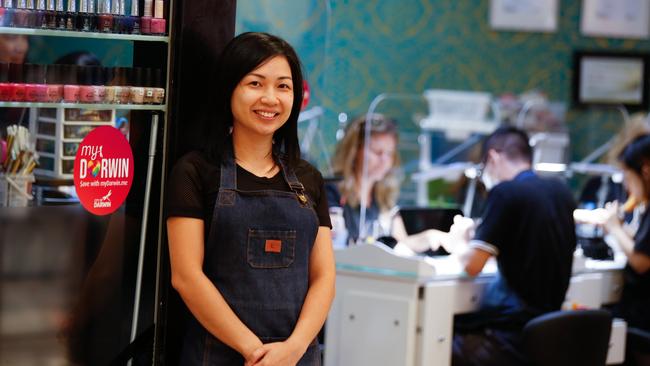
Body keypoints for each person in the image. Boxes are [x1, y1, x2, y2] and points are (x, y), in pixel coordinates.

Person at [165, 32, 335, 365]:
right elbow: (186, 276)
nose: (270, 98)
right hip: (219, 355)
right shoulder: (195, 171)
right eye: (255, 83)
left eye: (283, 86)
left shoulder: (309, 179)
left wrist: (294, 348)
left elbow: (324, 277)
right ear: (229, 88)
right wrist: (255, 353)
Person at [446, 126, 576, 366]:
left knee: (436, 344)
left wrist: (457, 244)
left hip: (511, 336)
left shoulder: (506, 193)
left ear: (493, 157)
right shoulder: (561, 191)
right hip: (548, 335)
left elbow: (472, 266)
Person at [599, 134, 650, 334]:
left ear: (645, 171)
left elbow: (641, 261)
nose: (627, 186)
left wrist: (615, 228)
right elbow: (643, 244)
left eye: (628, 177)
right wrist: (620, 227)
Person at [326, 114, 403, 245]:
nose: (384, 160)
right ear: (354, 151)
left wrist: (430, 237)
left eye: (389, 153)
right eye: (377, 152)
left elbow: (402, 242)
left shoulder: (384, 198)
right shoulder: (331, 191)